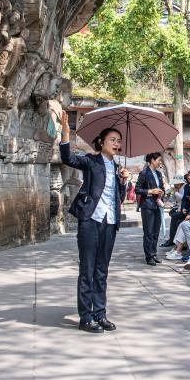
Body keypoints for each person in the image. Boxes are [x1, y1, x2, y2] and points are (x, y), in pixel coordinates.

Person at [59, 112, 129, 334]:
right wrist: (65, 134)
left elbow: (119, 197)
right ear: (101, 142)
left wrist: (124, 181)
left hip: (110, 222)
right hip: (90, 219)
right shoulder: (91, 160)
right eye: (113, 140)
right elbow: (68, 159)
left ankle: (100, 313)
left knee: (102, 270)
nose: (117, 144)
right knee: (87, 269)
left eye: (119, 141)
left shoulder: (118, 169)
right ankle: (86, 317)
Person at [135, 152, 166, 265]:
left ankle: (154, 253)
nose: (160, 162)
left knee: (156, 231)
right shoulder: (144, 173)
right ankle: (149, 256)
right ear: (152, 160)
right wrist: (150, 191)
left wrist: (161, 191)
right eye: (158, 160)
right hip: (147, 205)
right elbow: (137, 189)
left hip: (157, 204)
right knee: (148, 231)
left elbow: (162, 187)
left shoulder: (158, 173)